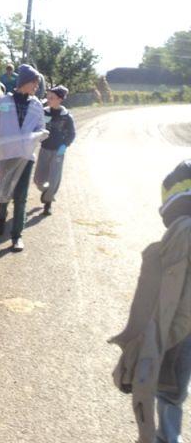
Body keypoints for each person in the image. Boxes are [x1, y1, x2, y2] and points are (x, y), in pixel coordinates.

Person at [110, 160, 191, 443]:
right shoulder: (183, 230)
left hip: (181, 327)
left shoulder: (181, 230)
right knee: (170, 388)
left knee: (169, 388)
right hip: (182, 325)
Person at [0, 64, 47, 252]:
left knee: (21, 196)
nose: (36, 86)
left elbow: (40, 127)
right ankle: (1, 215)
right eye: (34, 82)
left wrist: (41, 134)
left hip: (26, 156)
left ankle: (17, 236)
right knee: (4, 191)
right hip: (7, 154)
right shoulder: (4, 102)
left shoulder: (36, 105)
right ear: (24, 82)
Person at [33, 85, 75, 215]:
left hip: (58, 152)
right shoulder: (43, 112)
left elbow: (71, 134)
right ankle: (46, 192)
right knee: (38, 179)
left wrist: (64, 146)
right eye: (48, 97)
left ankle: (48, 203)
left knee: (54, 178)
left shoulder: (66, 117)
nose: (49, 99)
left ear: (60, 99)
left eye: (52, 97)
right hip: (44, 149)